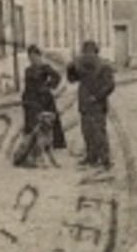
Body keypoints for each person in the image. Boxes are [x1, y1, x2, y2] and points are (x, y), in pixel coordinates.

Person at [67, 40, 115, 169]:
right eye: (85, 52)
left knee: (99, 132)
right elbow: (72, 79)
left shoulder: (104, 66)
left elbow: (110, 85)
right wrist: (71, 66)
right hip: (85, 104)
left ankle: (105, 160)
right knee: (87, 132)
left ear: (95, 52)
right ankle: (91, 157)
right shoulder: (81, 67)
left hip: (97, 105)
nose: (87, 55)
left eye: (89, 52)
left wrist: (97, 96)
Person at [21, 45, 67, 151]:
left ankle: (56, 143)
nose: (33, 59)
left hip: (44, 99)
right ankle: (33, 143)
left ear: (39, 56)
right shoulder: (28, 70)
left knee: (49, 121)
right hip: (31, 98)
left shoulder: (45, 67)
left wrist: (48, 86)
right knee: (31, 121)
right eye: (30, 57)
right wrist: (24, 98)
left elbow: (57, 77)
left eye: (35, 56)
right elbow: (27, 85)